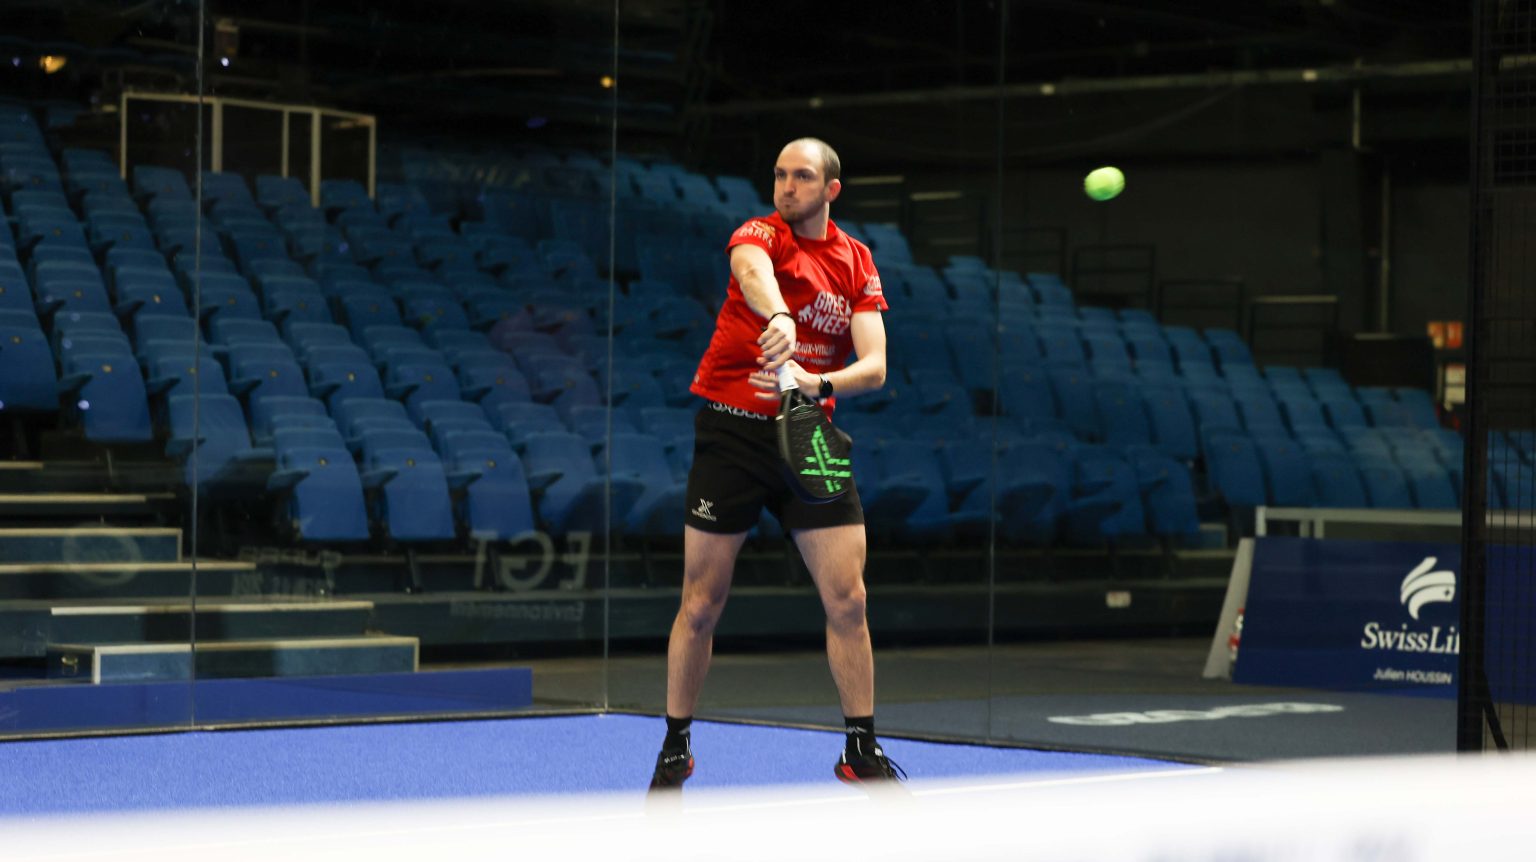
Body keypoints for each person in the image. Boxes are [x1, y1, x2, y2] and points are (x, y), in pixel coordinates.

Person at [648, 137, 901, 794]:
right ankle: (675, 744)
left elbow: (875, 366)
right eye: (781, 175)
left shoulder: (856, 260)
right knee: (701, 603)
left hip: (807, 433)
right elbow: (752, 272)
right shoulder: (759, 233)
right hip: (731, 433)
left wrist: (820, 383)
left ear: (831, 189)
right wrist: (782, 316)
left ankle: (860, 749)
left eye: (803, 176)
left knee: (849, 598)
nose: (787, 186)